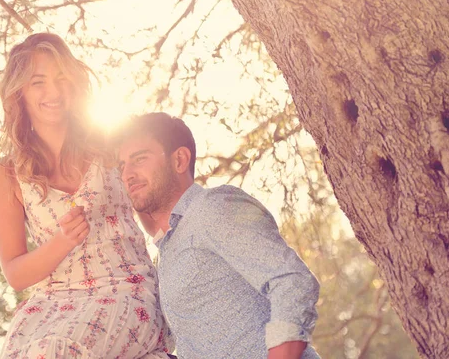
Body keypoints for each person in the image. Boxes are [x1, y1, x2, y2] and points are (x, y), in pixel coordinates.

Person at [0, 33, 172, 358]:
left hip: (125, 291)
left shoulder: (111, 143)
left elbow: (157, 215)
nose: (54, 92)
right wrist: (63, 241)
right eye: (38, 82)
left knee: (54, 353)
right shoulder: (6, 175)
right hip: (49, 308)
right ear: (20, 93)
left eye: (61, 78)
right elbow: (16, 274)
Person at [115, 112, 321, 359]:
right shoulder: (167, 250)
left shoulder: (212, 208)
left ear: (179, 160)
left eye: (139, 159)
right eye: (122, 166)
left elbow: (291, 280)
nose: (127, 174)